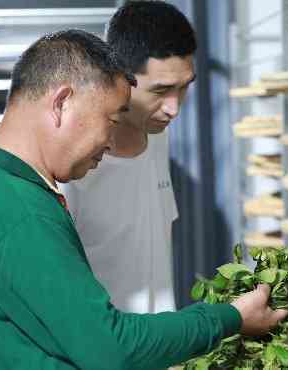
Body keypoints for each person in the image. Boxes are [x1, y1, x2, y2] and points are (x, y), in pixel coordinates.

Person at [0, 29, 288, 370]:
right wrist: (230, 317)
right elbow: (111, 348)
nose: (109, 143)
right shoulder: (20, 210)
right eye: (110, 120)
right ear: (61, 103)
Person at [61, 1, 196, 313]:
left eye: (184, 88)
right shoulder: (69, 167)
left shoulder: (158, 133)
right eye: (161, 91)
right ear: (119, 78)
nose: (174, 108)